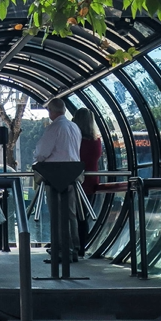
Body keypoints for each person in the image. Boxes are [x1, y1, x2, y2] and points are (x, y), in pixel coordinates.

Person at [34, 99, 82, 262]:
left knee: (57, 213)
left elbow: (42, 153)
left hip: (55, 175)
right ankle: (73, 248)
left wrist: (38, 158)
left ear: (51, 111)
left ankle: (60, 249)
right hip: (73, 173)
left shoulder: (54, 128)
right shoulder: (74, 127)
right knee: (70, 213)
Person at [73, 107, 102, 255]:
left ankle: (75, 246)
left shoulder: (77, 141)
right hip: (92, 181)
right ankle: (82, 246)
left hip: (76, 181)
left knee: (73, 215)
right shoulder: (96, 141)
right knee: (83, 216)